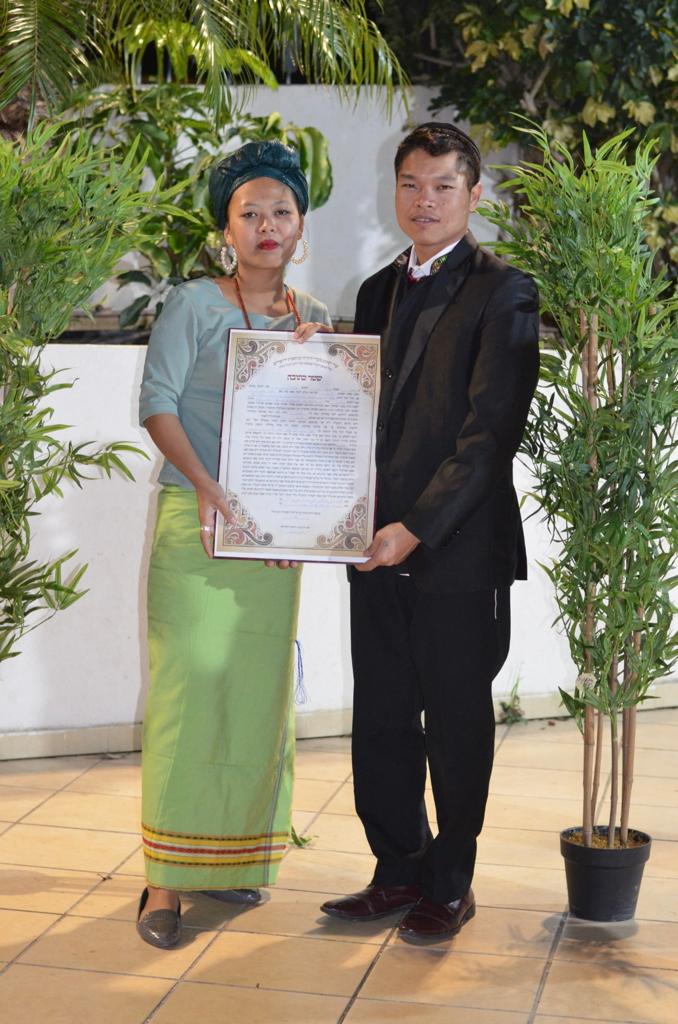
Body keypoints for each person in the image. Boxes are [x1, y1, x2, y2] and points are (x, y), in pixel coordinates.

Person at [320, 123, 540, 942]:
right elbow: (357, 413)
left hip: (456, 551)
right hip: (370, 544)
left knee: (453, 722)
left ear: (474, 194)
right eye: (411, 184)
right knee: (381, 716)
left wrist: (415, 527)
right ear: (396, 191)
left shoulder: (505, 291)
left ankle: (450, 882)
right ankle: (395, 870)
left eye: (444, 185)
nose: (425, 200)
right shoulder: (377, 289)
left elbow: (490, 436)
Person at [136, 140, 331, 948]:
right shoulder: (192, 303)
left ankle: (231, 862)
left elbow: (321, 435)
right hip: (197, 525)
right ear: (227, 228)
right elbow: (156, 403)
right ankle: (162, 883)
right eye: (250, 213)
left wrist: (309, 517)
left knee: (256, 701)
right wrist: (209, 488)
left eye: (281, 211)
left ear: (300, 225)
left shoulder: (313, 317)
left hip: (270, 544)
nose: (267, 225)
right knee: (187, 698)